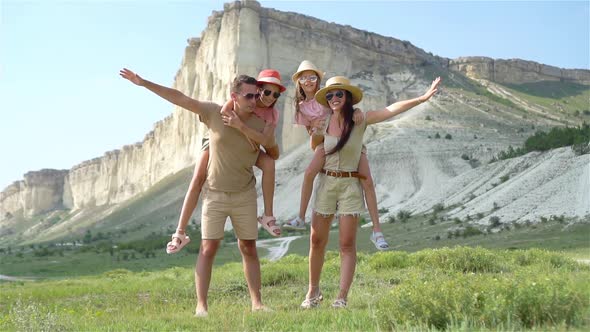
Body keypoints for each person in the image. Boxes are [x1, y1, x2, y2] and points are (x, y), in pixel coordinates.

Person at [120, 68, 274, 316]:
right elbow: (181, 98)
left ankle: (257, 303)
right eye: (248, 96)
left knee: (248, 247)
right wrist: (143, 82)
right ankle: (201, 306)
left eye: (257, 96)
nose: (254, 101)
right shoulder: (213, 112)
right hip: (214, 195)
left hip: (245, 194)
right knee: (207, 248)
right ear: (233, 96)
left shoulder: (260, 123)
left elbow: (271, 149)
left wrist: (244, 128)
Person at [300, 75, 441, 309]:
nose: (334, 98)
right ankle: (313, 291)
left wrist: (422, 98)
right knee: (316, 240)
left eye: (339, 94)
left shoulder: (360, 119)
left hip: (350, 185)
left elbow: (390, 109)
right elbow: (314, 142)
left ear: (347, 97)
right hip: (326, 183)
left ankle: (341, 297)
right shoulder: (323, 121)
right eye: (331, 94)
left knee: (347, 244)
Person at [164, 69, 286, 254]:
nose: (270, 97)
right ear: (258, 89)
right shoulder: (242, 98)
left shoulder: (272, 114)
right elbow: (223, 112)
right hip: (222, 138)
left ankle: (268, 216)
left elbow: (267, 143)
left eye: (275, 94)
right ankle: (180, 232)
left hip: (248, 143)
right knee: (198, 178)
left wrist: (242, 128)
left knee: (269, 163)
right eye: (267, 92)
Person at [283, 60, 390, 251]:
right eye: (304, 78)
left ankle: (377, 230)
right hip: (326, 143)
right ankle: (300, 216)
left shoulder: (327, 94)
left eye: (312, 77)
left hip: (350, 143)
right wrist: (317, 134)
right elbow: (311, 133)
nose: (308, 81)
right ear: (298, 81)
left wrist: (356, 110)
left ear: (318, 79)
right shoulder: (301, 107)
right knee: (309, 174)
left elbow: (343, 106)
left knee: (367, 182)